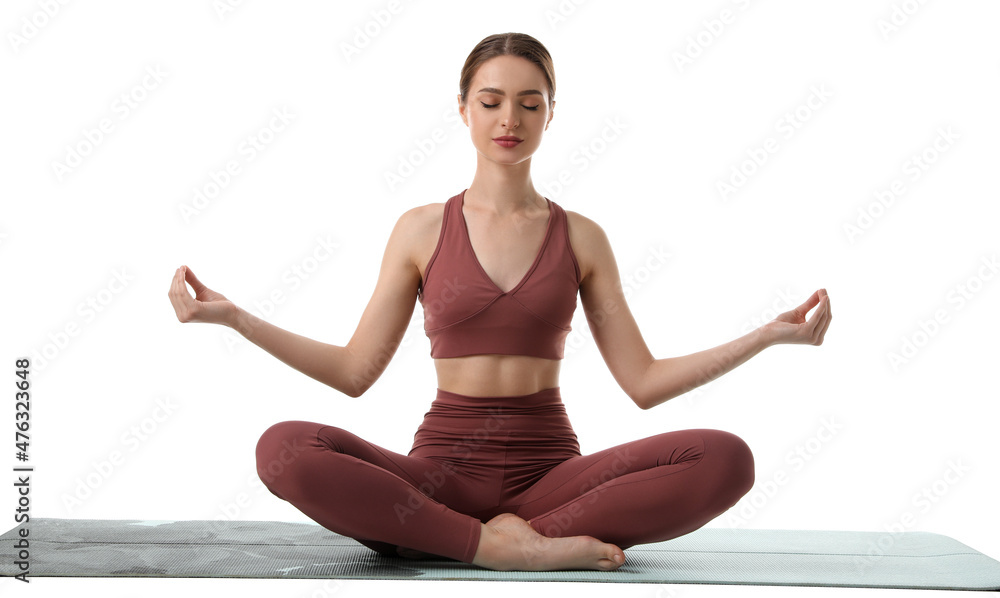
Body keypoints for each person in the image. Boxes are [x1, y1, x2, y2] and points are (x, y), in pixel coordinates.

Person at [167, 32, 832, 572]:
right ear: (463, 109)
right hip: (441, 475)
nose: (509, 120)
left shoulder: (583, 238)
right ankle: (492, 546)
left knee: (727, 458)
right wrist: (236, 318)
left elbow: (644, 381)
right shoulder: (422, 229)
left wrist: (766, 337)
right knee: (282, 447)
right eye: (490, 102)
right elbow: (353, 372)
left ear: (550, 113)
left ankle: (458, 537)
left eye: (530, 103)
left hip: (553, 482)